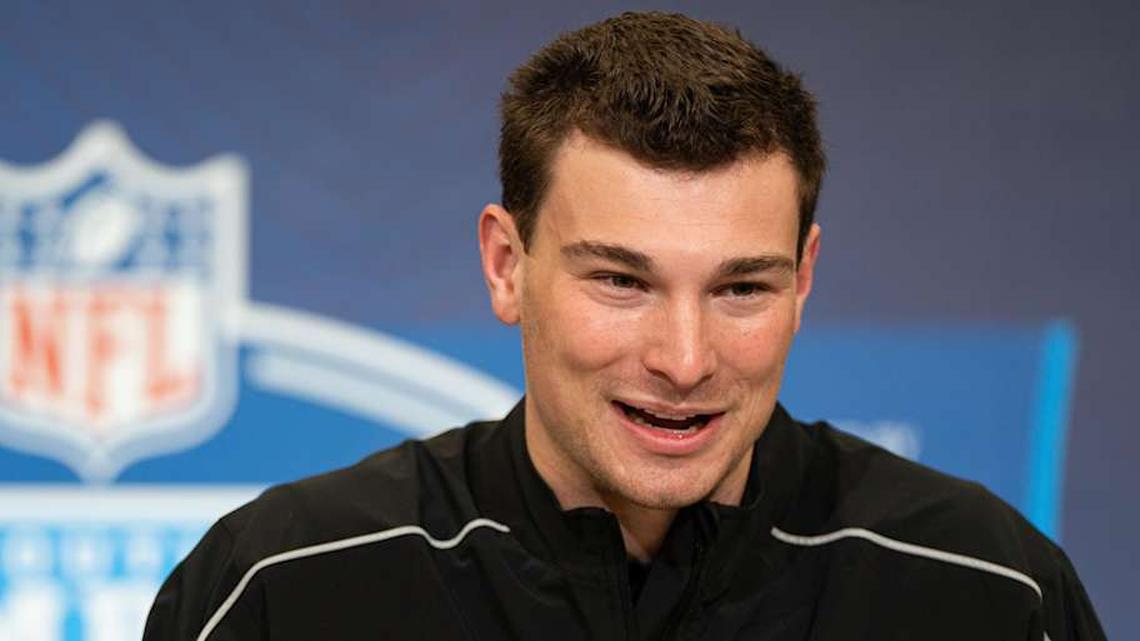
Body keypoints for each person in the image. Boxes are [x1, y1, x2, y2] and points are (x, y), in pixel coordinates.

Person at [143, 11, 1104, 641]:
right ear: (506, 265)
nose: (684, 360)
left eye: (742, 289)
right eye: (620, 280)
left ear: (805, 279)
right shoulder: (285, 589)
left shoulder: (988, 591)